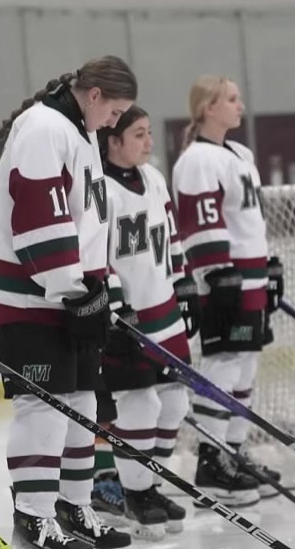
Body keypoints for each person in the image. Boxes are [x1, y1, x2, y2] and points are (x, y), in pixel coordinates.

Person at [0, 56, 137, 549]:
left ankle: (74, 506)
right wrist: (75, 291)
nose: (115, 123)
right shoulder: (43, 129)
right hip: (34, 300)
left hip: (70, 298)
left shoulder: (79, 132)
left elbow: (87, 223)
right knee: (44, 407)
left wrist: (98, 291)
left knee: (81, 403)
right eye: (114, 112)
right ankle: (33, 514)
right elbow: (38, 220)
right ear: (93, 96)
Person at [171, 75, 281, 507]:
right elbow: (201, 221)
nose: (240, 105)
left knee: (246, 367)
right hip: (226, 278)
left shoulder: (240, 153)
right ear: (207, 108)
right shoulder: (197, 160)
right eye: (231, 99)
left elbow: (250, 219)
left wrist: (270, 266)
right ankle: (210, 461)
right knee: (223, 366)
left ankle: (233, 453)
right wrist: (217, 273)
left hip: (250, 275)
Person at [96, 106, 192, 540]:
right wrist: (115, 305)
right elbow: (94, 252)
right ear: (113, 140)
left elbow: (171, 237)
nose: (149, 142)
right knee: (140, 405)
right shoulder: (100, 189)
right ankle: (134, 492)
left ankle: (147, 484)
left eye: (150, 133)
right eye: (139, 135)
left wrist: (184, 284)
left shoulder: (153, 178)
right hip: (128, 317)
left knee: (175, 402)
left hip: (165, 310)